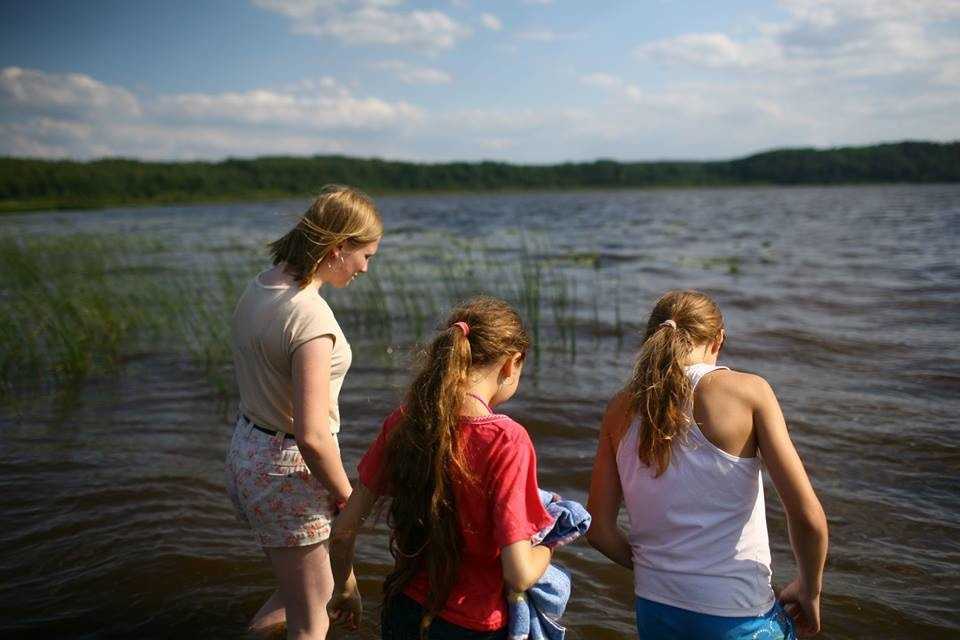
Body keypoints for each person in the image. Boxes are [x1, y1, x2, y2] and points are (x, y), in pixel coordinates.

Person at [587, 290, 828, 639]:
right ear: (718, 341)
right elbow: (809, 518)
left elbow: (599, 530)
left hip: (655, 609)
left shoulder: (619, 409)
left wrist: (659, 570)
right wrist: (810, 588)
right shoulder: (749, 392)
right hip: (736, 612)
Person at [327, 296, 556, 639]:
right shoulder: (508, 440)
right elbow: (519, 574)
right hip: (472, 625)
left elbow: (343, 531)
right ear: (511, 364)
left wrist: (345, 588)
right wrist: (549, 546)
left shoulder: (404, 421)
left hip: (403, 610)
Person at [224, 184, 383, 639]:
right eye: (366, 256)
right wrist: (349, 498)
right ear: (338, 249)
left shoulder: (261, 285)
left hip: (247, 455)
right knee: (314, 618)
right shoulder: (310, 319)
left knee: (296, 591)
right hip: (286, 474)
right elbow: (313, 436)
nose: (366, 268)